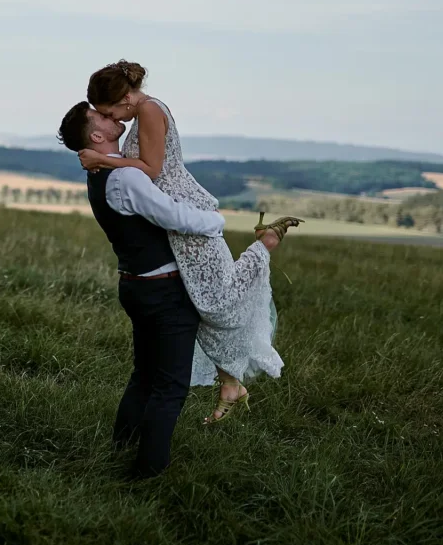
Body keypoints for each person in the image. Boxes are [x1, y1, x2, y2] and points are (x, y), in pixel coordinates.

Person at [57, 102, 286, 478]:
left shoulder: (100, 175)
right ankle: (148, 471)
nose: (111, 115)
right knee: (170, 386)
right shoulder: (125, 178)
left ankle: (122, 447)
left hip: (135, 285)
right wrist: (216, 220)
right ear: (97, 135)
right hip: (162, 291)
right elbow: (176, 217)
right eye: (101, 116)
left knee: (145, 375)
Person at [78, 61, 302, 423]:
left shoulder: (148, 110)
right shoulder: (141, 112)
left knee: (215, 300)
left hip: (183, 216)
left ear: (124, 99)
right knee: (198, 301)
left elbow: (151, 170)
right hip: (173, 220)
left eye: (108, 112)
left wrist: (102, 158)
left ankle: (265, 245)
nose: (110, 119)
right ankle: (230, 384)